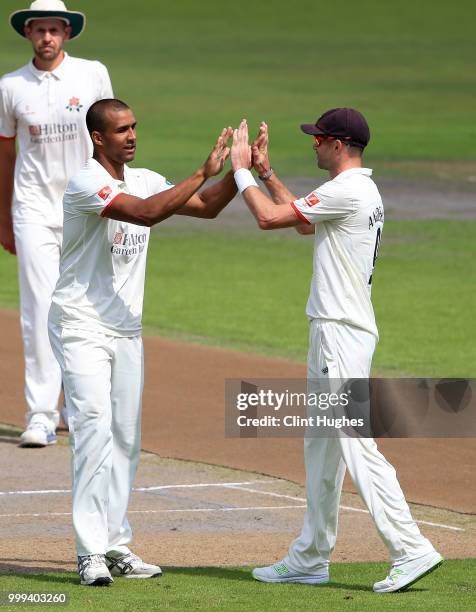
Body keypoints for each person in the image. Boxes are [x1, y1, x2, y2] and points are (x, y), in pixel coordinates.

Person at [230, 110, 443, 593]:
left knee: (355, 444)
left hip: (340, 332)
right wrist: (265, 173)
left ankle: (410, 548)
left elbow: (268, 218)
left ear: (340, 144)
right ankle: (310, 556)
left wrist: (240, 169)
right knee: (323, 449)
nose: (313, 146)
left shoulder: (349, 189)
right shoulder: (356, 190)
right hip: (337, 330)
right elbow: (303, 223)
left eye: (318, 139)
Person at [47, 98, 237, 586]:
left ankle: (114, 544)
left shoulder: (148, 177)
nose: (131, 136)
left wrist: (240, 171)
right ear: (97, 137)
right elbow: (148, 214)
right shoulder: (86, 181)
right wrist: (201, 170)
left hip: (126, 328)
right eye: (120, 130)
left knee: (126, 440)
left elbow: (209, 208)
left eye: (134, 127)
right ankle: (89, 553)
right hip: (80, 323)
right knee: (92, 430)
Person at [0, 0, 113, 447]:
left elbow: (113, 133)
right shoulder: (10, 87)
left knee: (84, 305)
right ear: (28, 34)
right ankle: (41, 414)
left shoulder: (92, 74)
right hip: (32, 209)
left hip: (84, 204)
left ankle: (77, 405)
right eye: (38, 30)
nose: (46, 37)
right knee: (39, 308)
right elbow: (5, 155)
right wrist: (4, 216)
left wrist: (114, 197)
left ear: (66, 32)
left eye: (54, 30)